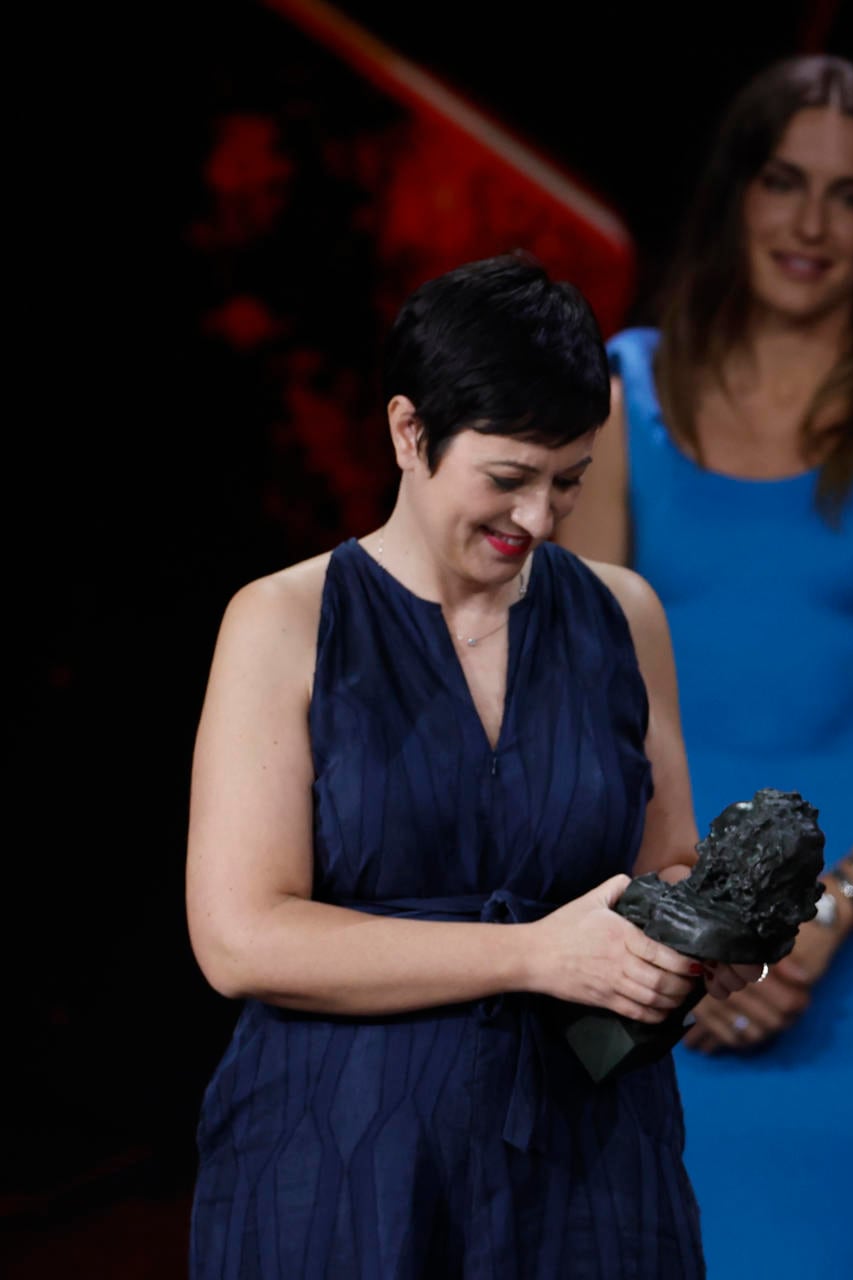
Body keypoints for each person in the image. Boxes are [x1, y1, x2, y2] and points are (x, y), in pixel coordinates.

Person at [557, 56, 853, 1277]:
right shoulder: (621, 401)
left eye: (852, 195)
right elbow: (579, 697)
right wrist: (689, 936)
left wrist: (817, 919)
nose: (812, 224)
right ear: (735, 194)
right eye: (786, 182)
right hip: (647, 964)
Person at [186, 255, 742, 1277]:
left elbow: (668, 861)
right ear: (410, 431)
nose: (536, 518)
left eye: (567, 479)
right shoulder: (283, 621)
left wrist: (708, 933)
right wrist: (531, 953)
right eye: (508, 477)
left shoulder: (623, 615)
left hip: (592, 1163)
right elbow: (240, 936)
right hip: (338, 1163)